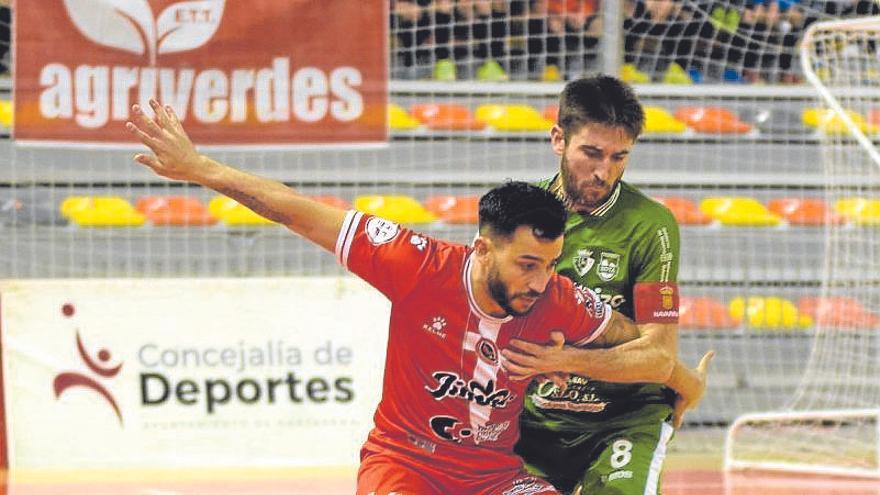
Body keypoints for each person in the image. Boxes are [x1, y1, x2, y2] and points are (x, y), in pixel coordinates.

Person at [126, 98, 710, 494]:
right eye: (529, 265)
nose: (540, 281)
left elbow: (643, 346)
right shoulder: (416, 265)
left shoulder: (559, 295)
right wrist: (202, 169)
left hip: (493, 476)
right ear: (483, 249)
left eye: (550, 266)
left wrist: (679, 381)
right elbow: (297, 212)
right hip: (406, 465)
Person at [506, 75, 704, 495]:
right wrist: (687, 381)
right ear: (558, 139)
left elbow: (656, 356)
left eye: (619, 157)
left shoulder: (651, 226)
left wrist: (564, 360)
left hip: (624, 422)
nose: (603, 172)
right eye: (591, 153)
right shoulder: (515, 219)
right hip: (532, 428)